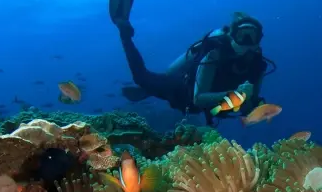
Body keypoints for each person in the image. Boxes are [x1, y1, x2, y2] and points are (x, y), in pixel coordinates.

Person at [112, 11, 275, 126]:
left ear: (259, 39)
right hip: (182, 91)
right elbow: (199, 98)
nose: (247, 41)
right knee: (142, 78)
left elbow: (248, 106)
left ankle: (150, 91)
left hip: (210, 109)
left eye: (252, 36)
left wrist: (256, 108)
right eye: (242, 35)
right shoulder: (215, 56)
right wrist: (235, 94)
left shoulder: (258, 66)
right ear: (232, 35)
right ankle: (125, 34)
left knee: (153, 88)